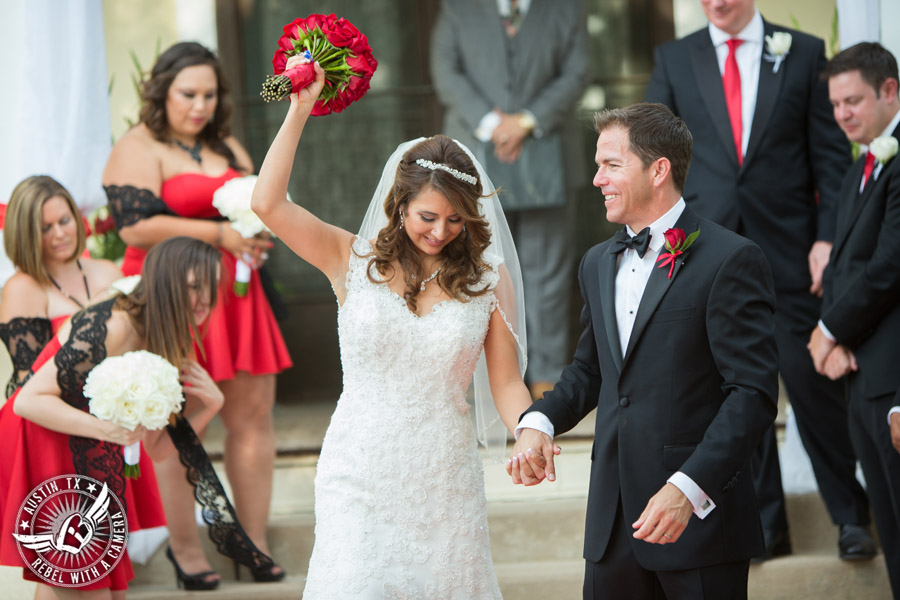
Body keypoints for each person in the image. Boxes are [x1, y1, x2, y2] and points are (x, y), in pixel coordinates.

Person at [251, 57, 535, 597]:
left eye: (456, 220)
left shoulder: (486, 279)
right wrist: (299, 109)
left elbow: (504, 380)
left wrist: (528, 430)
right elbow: (267, 203)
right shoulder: (348, 257)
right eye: (428, 217)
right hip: (357, 468)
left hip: (444, 476)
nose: (441, 231)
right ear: (400, 204)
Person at [510, 103, 779, 599]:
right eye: (597, 165)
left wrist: (689, 488)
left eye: (611, 165)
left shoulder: (732, 260)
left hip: (698, 526)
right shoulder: (595, 263)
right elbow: (590, 373)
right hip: (612, 529)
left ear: (659, 170)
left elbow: (752, 395)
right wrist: (538, 421)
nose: (596, 180)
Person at [644, 0, 873, 561]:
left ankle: (850, 517)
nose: (717, 4)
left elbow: (830, 160)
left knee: (809, 379)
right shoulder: (673, 59)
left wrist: (827, 239)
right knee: (734, 387)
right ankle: (766, 527)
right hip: (704, 252)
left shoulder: (803, 54)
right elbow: (654, 159)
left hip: (791, 252)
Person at [101, 41, 291, 585]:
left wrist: (253, 237)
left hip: (237, 298)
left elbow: (260, 202)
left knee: (252, 418)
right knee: (177, 422)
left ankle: (252, 541)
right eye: (188, 94)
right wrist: (218, 233)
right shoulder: (139, 145)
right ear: (161, 92)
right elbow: (133, 227)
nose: (199, 105)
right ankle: (186, 551)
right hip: (170, 300)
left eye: (209, 94)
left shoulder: (227, 145)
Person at [0, 237, 224, 598]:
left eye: (211, 289)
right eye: (195, 286)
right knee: (82, 580)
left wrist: (212, 405)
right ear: (166, 282)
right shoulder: (113, 324)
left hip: (90, 450)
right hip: (42, 440)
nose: (205, 300)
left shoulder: (165, 336)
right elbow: (28, 401)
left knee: (100, 586)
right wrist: (107, 430)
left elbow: (155, 448)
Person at [430, 0, 590, 400]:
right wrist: (493, 124)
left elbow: (578, 72)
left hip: (548, 150)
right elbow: (446, 71)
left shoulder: (566, 9)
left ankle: (547, 376)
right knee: (469, 265)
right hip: (471, 156)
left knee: (547, 275)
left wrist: (526, 121)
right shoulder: (457, 8)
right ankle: (478, 378)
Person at [810, 41, 900, 598]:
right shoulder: (861, 164)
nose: (843, 114)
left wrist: (829, 329)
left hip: (893, 378)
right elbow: (843, 266)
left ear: (890, 91)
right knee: (888, 525)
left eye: (854, 101)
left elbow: (891, 266)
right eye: (836, 104)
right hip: (862, 376)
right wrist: (837, 336)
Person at [0, 175, 122, 398]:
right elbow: (31, 385)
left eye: (64, 221)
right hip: (59, 416)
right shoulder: (21, 288)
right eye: (45, 228)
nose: (59, 234)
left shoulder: (108, 271)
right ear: (26, 234)